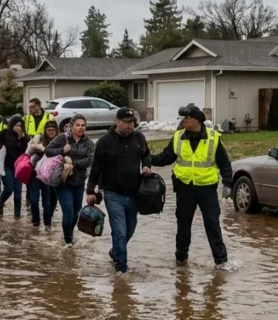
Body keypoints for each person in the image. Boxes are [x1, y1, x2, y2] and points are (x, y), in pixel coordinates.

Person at [150, 105, 232, 268]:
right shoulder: (178, 136)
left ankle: (221, 261)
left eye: (187, 117)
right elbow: (166, 157)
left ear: (197, 119)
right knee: (183, 224)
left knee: (212, 224)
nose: (184, 120)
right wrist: (146, 157)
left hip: (207, 189)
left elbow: (224, 163)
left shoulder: (213, 137)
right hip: (184, 187)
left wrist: (228, 183)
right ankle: (181, 259)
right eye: (183, 118)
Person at [86, 108, 151, 274]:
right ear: (117, 121)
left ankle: (115, 251)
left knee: (130, 229)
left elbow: (146, 155)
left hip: (134, 192)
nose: (129, 126)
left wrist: (147, 166)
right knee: (119, 231)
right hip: (112, 192)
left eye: (132, 123)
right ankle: (121, 269)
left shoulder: (139, 138)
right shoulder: (104, 141)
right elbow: (96, 168)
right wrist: (90, 190)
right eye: (126, 122)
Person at [44, 114, 94, 247]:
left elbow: (90, 160)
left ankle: (69, 234)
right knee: (68, 211)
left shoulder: (88, 142)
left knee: (76, 212)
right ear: (71, 126)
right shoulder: (63, 138)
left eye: (83, 125)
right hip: (63, 181)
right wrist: (62, 150)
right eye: (77, 125)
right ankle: (68, 242)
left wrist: (74, 162)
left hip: (79, 182)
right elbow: (48, 151)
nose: (80, 128)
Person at [0, 115, 29, 217]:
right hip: (7, 165)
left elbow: (26, 150)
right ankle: (0, 203)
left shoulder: (24, 136)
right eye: (16, 125)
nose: (18, 127)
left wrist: (22, 138)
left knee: (18, 193)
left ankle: (17, 216)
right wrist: (0, 147)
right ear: (12, 125)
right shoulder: (5, 133)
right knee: (9, 189)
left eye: (20, 125)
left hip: (19, 167)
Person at [27, 120, 60, 227]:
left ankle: (47, 223)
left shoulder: (61, 142)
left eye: (53, 130)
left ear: (56, 131)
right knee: (34, 200)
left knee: (49, 201)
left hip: (52, 176)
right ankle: (36, 221)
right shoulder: (40, 140)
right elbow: (28, 153)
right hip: (36, 174)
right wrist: (36, 147)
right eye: (48, 130)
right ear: (45, 131)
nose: (51, 132)